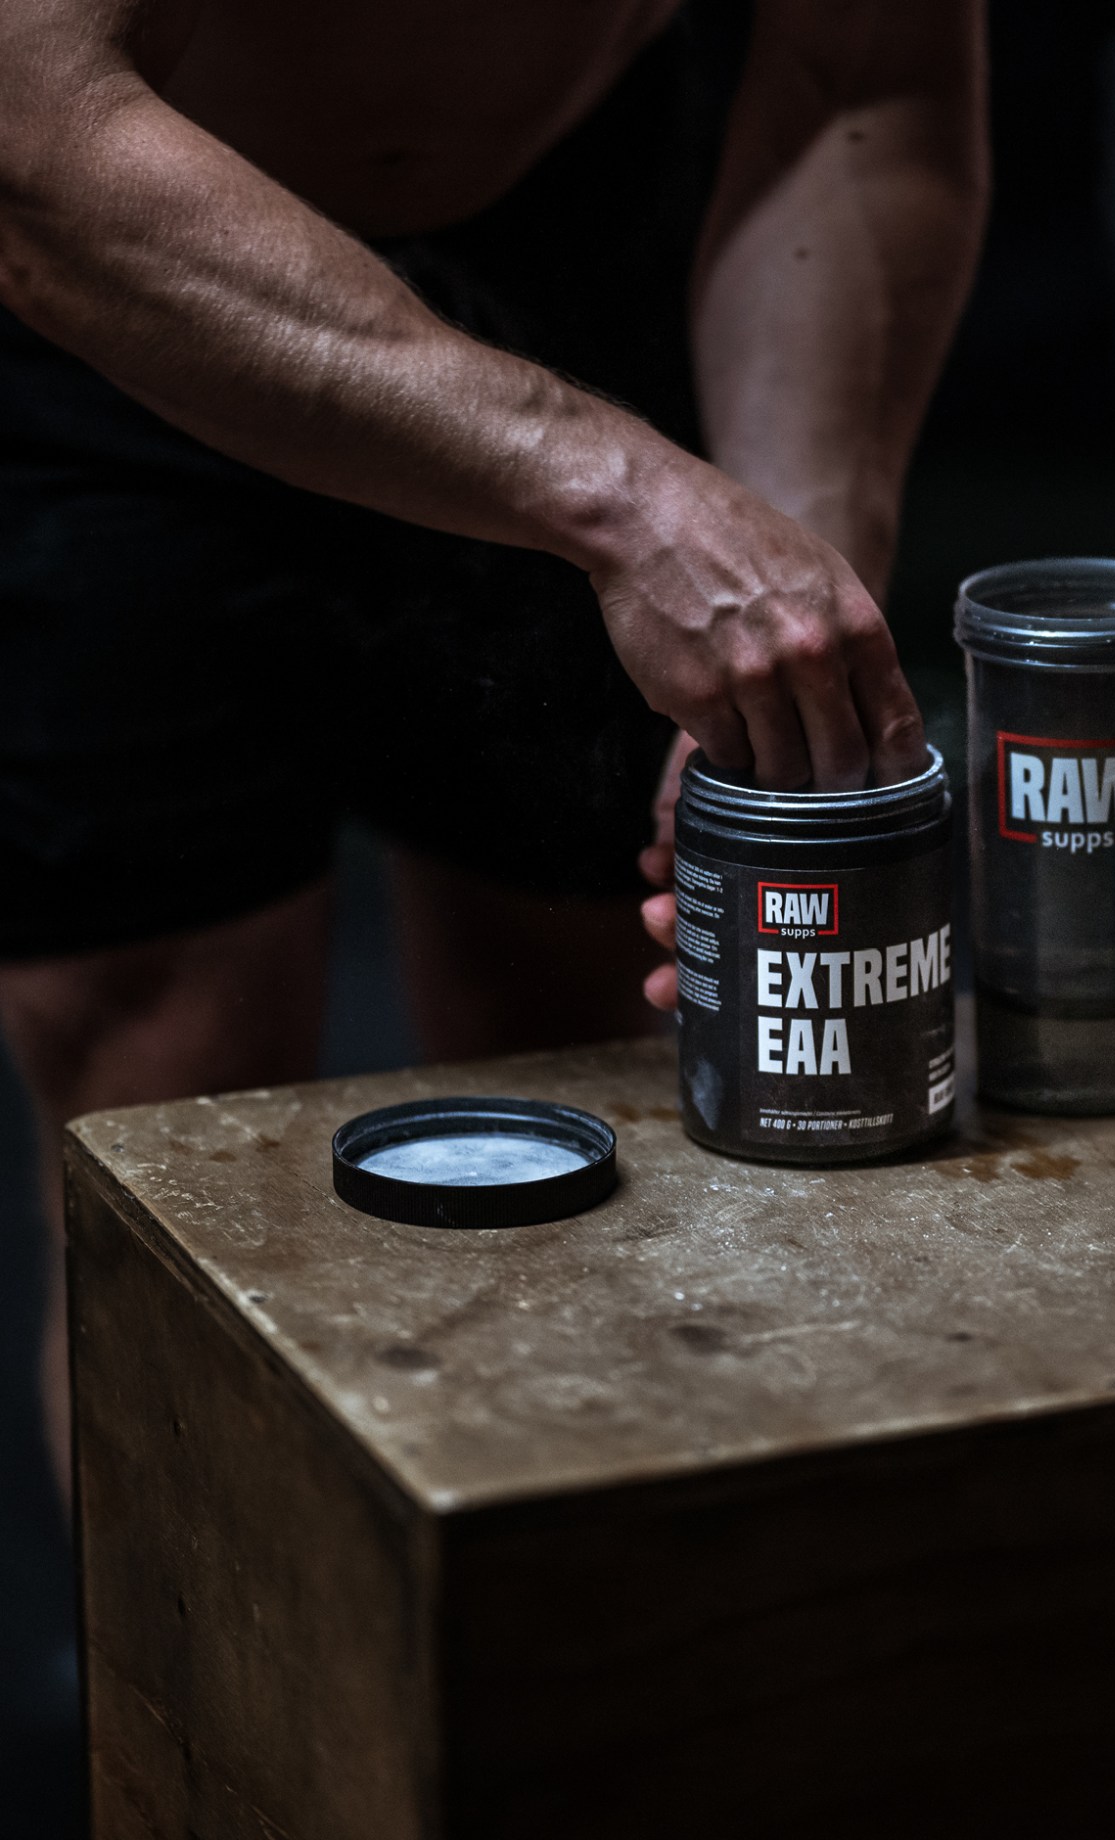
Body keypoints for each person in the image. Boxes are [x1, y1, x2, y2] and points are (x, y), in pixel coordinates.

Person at [0, 0, 989, 1496]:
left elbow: (867, 76)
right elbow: (33, 127)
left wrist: (782, 595)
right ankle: (198, 1650)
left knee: (586, 1066)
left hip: (574, 229)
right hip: (123, 267)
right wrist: (630, 505)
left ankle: (553, 1613)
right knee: (160, 1118)